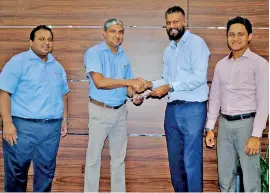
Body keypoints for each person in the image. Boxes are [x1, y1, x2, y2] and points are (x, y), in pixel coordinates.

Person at [143, 6, 210, 192]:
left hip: (193, 109)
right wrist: (149, 84)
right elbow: (165, 80)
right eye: (168, 23)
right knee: (175, 163)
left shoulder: (197, 43)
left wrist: (170, 86)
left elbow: (198, 77)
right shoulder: (169, 50)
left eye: (176, 21)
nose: (172, 26)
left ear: (185, 22)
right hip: (172, 110)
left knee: (191, 162)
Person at [0, 25, 70, 192]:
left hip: (51, 129)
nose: (46, 43)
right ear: (31, 42)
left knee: (46, 173)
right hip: (22, 127)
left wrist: (64, 119)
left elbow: (64, 94)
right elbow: (4, 93)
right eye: (41, 39)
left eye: (49, 39)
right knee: (16, 173)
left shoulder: (57, 67)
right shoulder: (18, 62)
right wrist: (7, 123)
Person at [205, 16, 269, 192]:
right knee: (225, 178)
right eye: (231, 34)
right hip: (224, 125)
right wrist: (210, 127)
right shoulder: (220, 66)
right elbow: (215, 98)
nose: (235, 38)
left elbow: (264, 101)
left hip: (247, 125)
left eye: (240, 34)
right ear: (227, 37)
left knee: (251, 179)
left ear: (250, 36)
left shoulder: (260, 64)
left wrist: (256, 135)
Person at [83, 18, 145, 192]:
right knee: (93, 159)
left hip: (120, 112)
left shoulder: (124, 56)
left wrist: (135, 96)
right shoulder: (94, 53)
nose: (117, 35)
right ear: (104, 34)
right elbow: (100, 82)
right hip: (100, 111)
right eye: (113, 31)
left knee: (119, 159)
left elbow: (128, 90)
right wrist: (129, 81)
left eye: (120, 32)